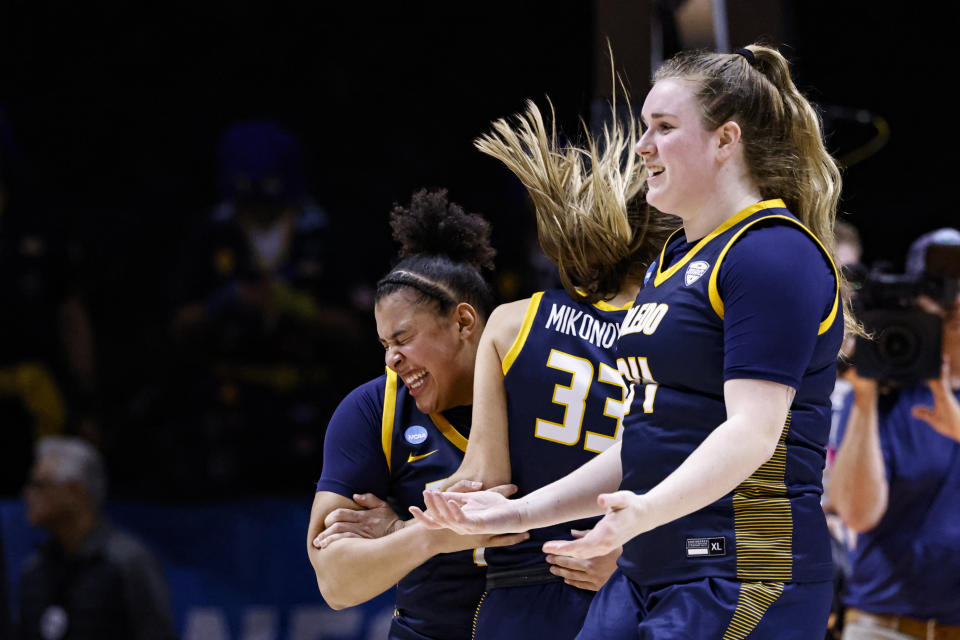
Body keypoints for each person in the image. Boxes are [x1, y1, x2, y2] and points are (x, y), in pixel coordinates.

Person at [412, 44, 851, 639]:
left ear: (726, 140)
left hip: (743, 567)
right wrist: (520, 512)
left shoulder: (772, 251)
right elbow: (645, 441)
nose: (642, 145)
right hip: (652, 566)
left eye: (664, 128)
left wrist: (647, 510)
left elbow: (753, 429)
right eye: (645, 127)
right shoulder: (673, 259)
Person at [426, 97, 673, 639]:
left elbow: (484, 484)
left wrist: (401, 524)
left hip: (520, 601)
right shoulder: (677, 330)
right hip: (635, 592)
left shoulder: (513, 324)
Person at [305, 189, 528, 640]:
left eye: (403, 339)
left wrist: (396, 529)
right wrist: (434, 534)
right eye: (385, 345)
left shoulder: (541, 384)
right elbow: (335, 583)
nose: (392, 360)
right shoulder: (371, 409)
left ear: (464, 323)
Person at [830, 228, 960, 640]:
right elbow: (856, 513)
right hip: (883, 624)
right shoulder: (883, 389)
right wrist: (865, 399)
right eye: (938, 288)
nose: (953, 300)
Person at [18, 436, 175, 640]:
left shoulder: (127, 563)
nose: (27, 494)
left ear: (75, 492)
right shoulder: (34, 569)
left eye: (39, 484)